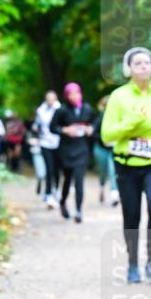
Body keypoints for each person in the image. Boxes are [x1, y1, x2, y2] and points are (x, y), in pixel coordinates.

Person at [101, 47, 151, 285]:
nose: (143, 66)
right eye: (137, 63)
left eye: (147, 62)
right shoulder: (119, 96)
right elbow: (107, 135)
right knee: (132, 215)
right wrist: (131, 122)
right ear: (129, 69)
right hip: (127, 164)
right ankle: (133, 264)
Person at [50, 82, 95, 223]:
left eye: (77, 93)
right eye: (71, 94)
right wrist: (65, 130)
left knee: (79, 180)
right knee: (67, 179)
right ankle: (63, 201)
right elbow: (52, 127)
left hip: (82, 149)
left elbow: (96, 122)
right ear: (67, 96)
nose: (74, 96)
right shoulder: (62, 110)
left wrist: (91, 129)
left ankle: (79, 210)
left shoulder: (87, 109)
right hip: (66, 150)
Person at [33, 91, 61, 208]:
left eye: (52, 98)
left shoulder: (60, 110)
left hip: (58, 142)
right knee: (49, 168)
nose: (50, 100)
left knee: (56, 169)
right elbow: (36, 125)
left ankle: (56, 189)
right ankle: (48, 193)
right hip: (45, 142)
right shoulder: (41, 110)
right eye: (48, 98)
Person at [92, 95, 119, 207]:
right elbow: (94, 133)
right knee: (103, 171)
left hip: (114, 149)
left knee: (113, 171)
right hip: (101, 149)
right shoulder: (100, 118)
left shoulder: (118, 118)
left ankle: (114, 194)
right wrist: (103, 139)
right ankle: (102, 186)